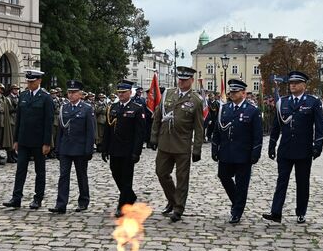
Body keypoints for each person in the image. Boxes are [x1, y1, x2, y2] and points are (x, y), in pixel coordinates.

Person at [264, 71, 323, 224]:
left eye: (296, 83)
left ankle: (301, 212)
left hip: (304, 149)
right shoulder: (282, 102)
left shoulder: (312, 102)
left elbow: (319, 126)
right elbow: (276, 126)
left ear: (304, 85)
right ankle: (276, 212)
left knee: (302, 182)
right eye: (291, 83)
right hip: (285, 148)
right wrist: (272, 144)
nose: (293, 85)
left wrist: (318, 145)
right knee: (281, 181)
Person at [149, 66, 204, 222]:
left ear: (191, 81)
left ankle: (178, 208)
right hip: (165, 142)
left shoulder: (196, 100)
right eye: (180, 79)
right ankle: (172, 200)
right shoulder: (168, 94)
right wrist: (153, 136)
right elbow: (158, 115)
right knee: (161, 173)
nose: (181, 82)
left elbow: (199, 127)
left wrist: (197, 149)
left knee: (182, 178)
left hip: (182, 145)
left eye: (185, 80)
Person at [212, 78, 262, 224]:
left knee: (242, 184)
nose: (232, 94)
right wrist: (215, 148)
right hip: (226, 152)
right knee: (223, 176)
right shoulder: (225, 109)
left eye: (235, 91)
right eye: (231, 91)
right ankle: (237, 201)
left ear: (243, 93)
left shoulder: (252, 110)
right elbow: (217, 130)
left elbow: (257, 135)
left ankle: (237, 211)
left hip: (243, 154)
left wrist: (255, 153)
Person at [4, 70, 55, 209]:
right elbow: (19, 119)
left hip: (39, 141)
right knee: (20, 169)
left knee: (40, 171)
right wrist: (16, 140)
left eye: (32, 82)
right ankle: (16, 197)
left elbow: (48, 122)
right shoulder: (24, 96)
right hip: (24, 140)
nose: (30, 84)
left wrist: (47, 143)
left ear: (39, 81)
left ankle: (37, 198)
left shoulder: (46, 98)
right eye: (28, 82)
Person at [102, 80, 147, 218]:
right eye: (119, 92)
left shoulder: (137, 108)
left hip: (128, 150)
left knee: (127, 178)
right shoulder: (113, 107)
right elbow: (108, 130)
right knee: (116, 174)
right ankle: (130, 196)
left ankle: (122, 205)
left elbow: (140, 133)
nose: (121, 95)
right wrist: (105, 148)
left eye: (123, 92)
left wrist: (136, 152)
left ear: (130, 93)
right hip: (115, 149)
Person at [50, 80, 96, 214]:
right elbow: (60, 131)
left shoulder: (87, 108)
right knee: (63, 176)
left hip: (80, 148)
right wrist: (57, 148)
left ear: (80, 94)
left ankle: (83, 201)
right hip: (65, 148)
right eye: (69, 92)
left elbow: (90, 131)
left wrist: (89, 149)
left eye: (74, 92)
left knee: (81, 176)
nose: (71, 95)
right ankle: (61, 204)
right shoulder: (64, 108)